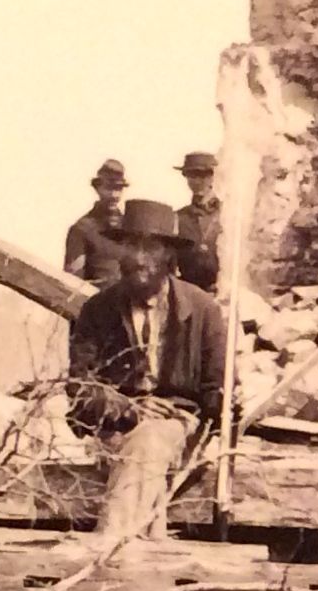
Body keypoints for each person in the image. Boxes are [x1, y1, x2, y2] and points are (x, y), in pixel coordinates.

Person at [68, 198, 228, 550]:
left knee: (152, 439)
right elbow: (79, 388)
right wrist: (127, 408)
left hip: (176, 426)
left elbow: (216, 389)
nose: (139, 258)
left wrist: (221, 409)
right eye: (131, 246)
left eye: (150, 248)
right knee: (141, 447)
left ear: (169, 255)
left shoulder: (203, 310)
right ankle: (141, 545)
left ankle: (109, 545)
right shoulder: (98, 310)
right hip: (114, 427)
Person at [63, 158, 131, 285]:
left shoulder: (129, 227)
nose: (114, 195)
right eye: (108, 188)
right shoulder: (82, 229)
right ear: (98, 188)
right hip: (97, 296)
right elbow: (73, 282)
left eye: (118, 189)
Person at [173, 150, 223, 292]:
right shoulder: (178, 217)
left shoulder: (229, 216)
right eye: (192, 175)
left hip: (222, 292)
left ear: (213, 177)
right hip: (189, 293)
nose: (197, 181)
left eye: (203, 175)